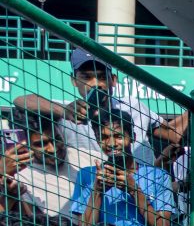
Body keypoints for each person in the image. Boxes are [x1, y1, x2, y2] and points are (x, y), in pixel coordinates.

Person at [13, 47, 184, 171]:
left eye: (102, 77)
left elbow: (173, 133)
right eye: (86, 77)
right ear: (74, 80)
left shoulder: (133, 105)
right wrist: (65, 111)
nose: (96, 84)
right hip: (101, 204)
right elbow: (21, 100)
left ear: (113, 80)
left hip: (146, 199)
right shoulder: (69, 111)